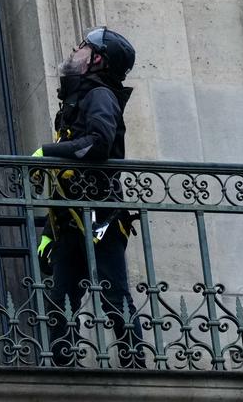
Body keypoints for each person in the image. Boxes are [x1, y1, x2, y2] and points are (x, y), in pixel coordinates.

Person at [32, 26, 144, 368]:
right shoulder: (75, 101)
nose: (74, 49)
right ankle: (63, 368)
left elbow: (98, 142)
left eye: (83, 46)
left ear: (97, 59)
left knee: (113, 294)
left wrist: (46, 152)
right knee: (60, 302)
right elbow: (68, 175)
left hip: (102, 219)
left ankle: (135, 364)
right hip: (68, 221)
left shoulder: (99, 96)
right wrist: (49, 232)